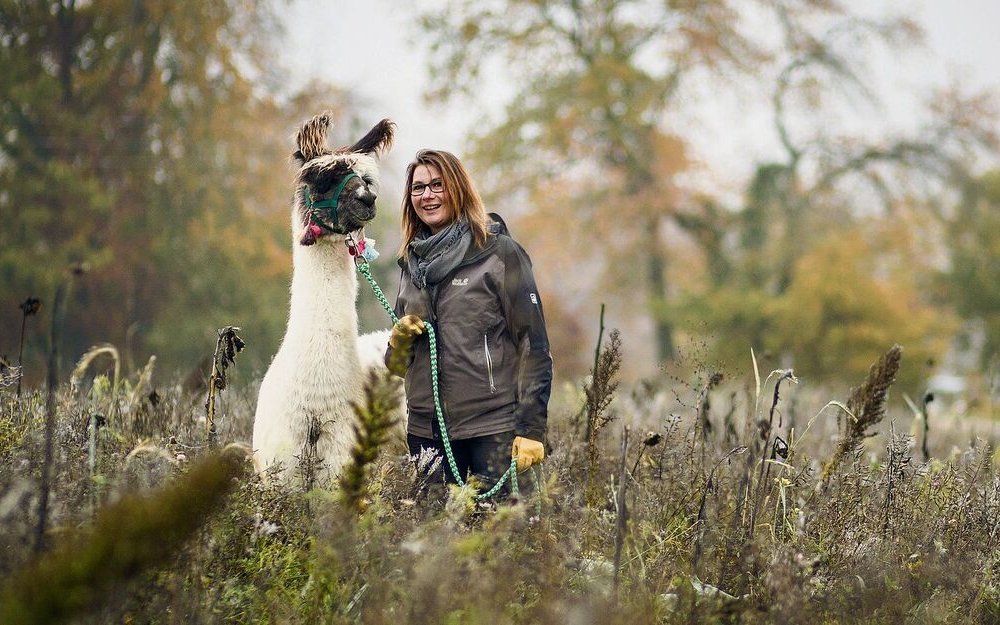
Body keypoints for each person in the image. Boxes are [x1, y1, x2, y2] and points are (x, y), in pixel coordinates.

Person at [384, 149, 552, 497]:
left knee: (500, 543)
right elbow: (400, 366)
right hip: (427, 432)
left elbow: (533, 346)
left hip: (493, 430)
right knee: (437, 545)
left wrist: (532, 430)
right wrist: (398, 343)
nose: (427, 196)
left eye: (437, 185)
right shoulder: (410, 265)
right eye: (417, 188)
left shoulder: (500, 253)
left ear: (458, 189)